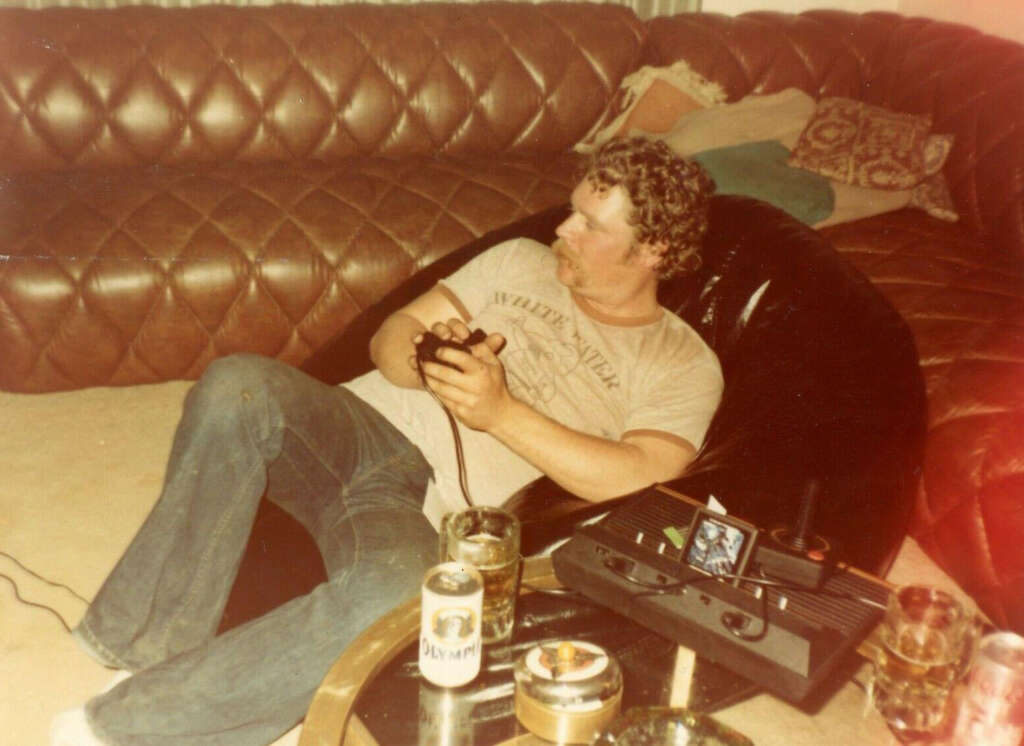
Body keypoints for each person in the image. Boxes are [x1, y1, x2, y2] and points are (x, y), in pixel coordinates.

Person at [52, 137, 723, 746]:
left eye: (590, 225)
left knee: (398, 591)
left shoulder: (680, 362)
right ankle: (141, 642)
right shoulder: (520, 261)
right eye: (571, 210)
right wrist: (428, 361)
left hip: (422, 503)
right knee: (238, 385)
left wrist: (499, 412)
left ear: (654, 251)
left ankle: (126, 728)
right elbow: (393, 334)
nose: (562, 229)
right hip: (346, 428)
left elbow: (642, 474)